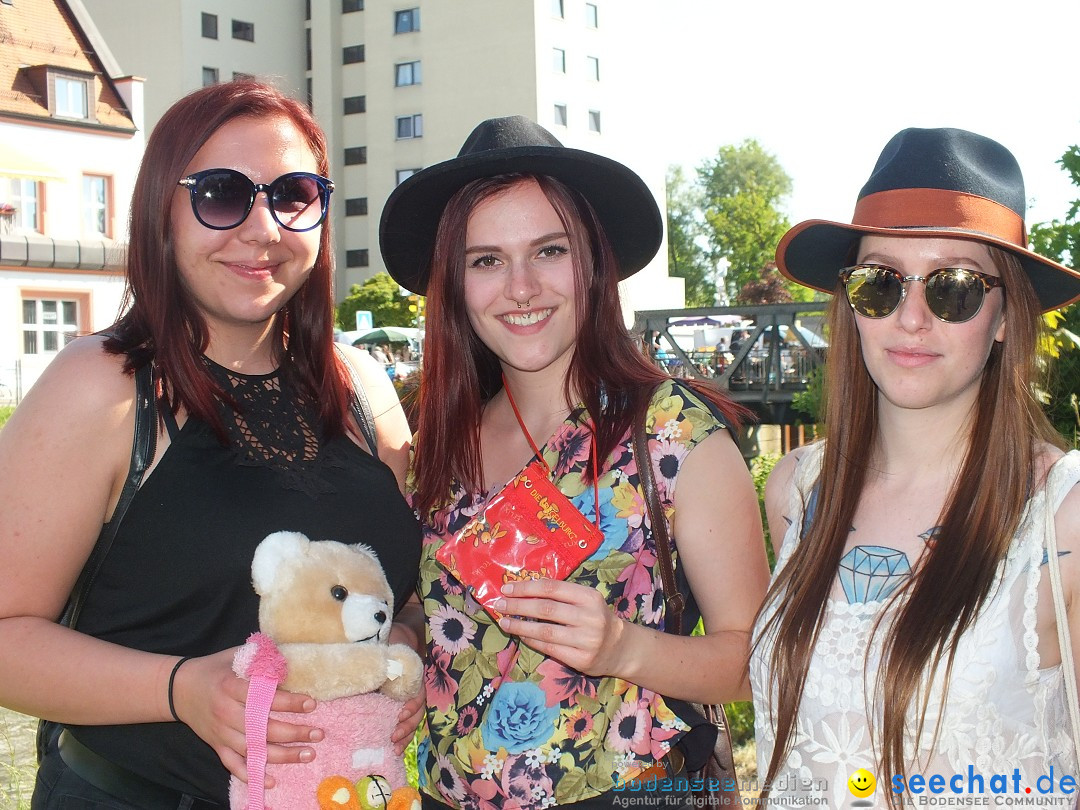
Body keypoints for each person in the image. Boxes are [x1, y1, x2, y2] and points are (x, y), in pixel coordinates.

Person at [0, 80, 423, 809]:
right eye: (222, 194)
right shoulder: (102, 386)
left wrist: (406, 644)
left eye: (292, 194)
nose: (262, 229)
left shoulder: (359, 386)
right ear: (161, 210)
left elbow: (400, 589)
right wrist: (181, 689)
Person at [379, 115, 770, 809]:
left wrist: (624, 647)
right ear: (455, 284)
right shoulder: (435, 441)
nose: (521, 287)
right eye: (486, 260)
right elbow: (424, 601)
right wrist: (404, 643)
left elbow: (758, 662)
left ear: (593, 262)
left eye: (549, 251)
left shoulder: (673, 435)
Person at [751, 128, 1080, 807]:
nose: (910, 318)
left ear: (1003, 319)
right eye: (879, 284)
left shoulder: (1065, 515)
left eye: (954, 288)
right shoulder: (796, 490)